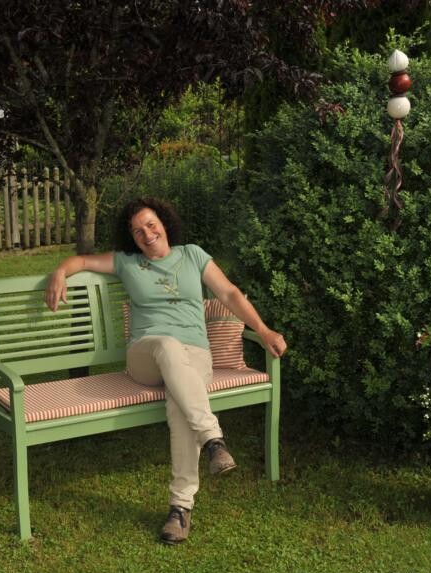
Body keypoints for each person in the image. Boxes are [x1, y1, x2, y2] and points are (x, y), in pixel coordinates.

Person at [44, 197, 286, 544]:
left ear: (164, 222)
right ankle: (213, 438)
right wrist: (59, 272)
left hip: (194, 356)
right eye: (137, 231)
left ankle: (180, 508)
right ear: (131, 237)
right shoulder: (127, 262)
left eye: (150, 224)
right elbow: (81, 260)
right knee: (168, 345)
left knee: (180, 405)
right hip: (146, 354)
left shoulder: (193, 255)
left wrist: (263, 331)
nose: (146, 234)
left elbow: (230, 294)